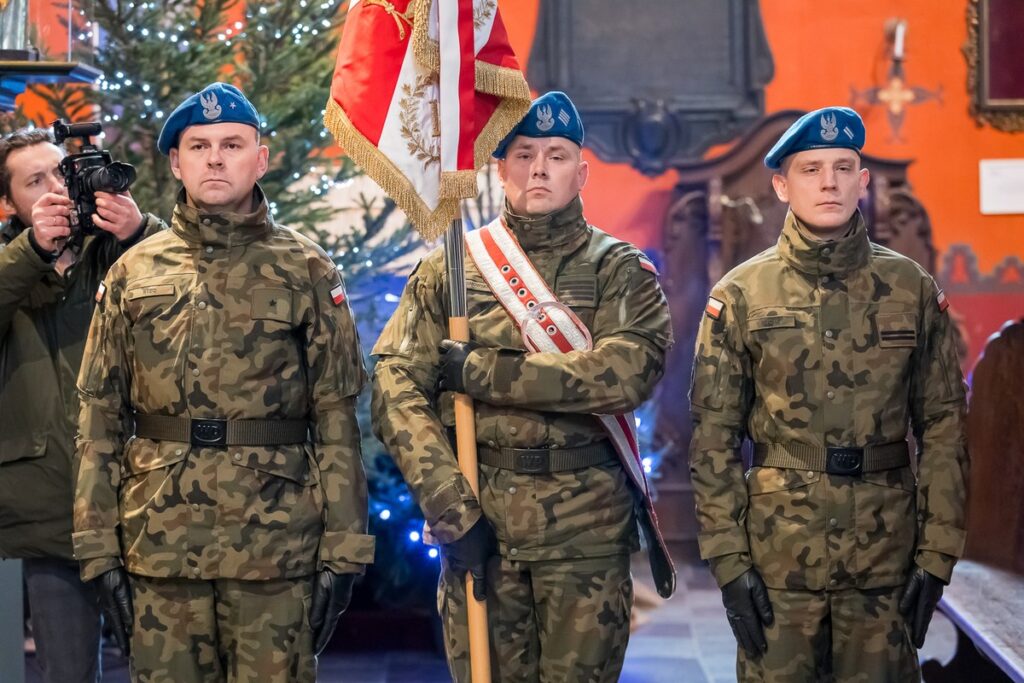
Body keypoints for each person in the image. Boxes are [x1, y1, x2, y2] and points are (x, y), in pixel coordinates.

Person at [73, 82, 374, 682]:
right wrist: (94, 546)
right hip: (159, 540)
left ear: (260, 158)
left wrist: (346, 549)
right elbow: (98, 416)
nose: (215, 158)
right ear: (176, 162)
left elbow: (337, 421)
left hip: (276, 543)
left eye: (232, 144)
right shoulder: (135, 269)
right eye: (199, 145)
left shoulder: (307, 269)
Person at [372, 91, 674, 682]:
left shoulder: (619, 269)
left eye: (556, 155)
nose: (538, 168)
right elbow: (395, 385)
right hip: (482, 519)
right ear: (500, 166)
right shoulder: (453, 268)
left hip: (587, 530)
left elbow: (626, 372)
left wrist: (483, 372)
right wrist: (450, 508)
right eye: (524, 154)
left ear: (581, 172)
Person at [688, 106, 969, 682]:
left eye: (844, 167)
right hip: (778, 558)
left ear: (864, 181)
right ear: (781, 185)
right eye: (811, 168)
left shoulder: (911, 289)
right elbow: (713, 439)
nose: (829, 182)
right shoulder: (740, 294)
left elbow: (944, 427)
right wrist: (726, 559)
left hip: (884, 553)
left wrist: (938, 552)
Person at [0, 127, 161, 683]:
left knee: (170, 665)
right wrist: (33, 250)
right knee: (67, 673)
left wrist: (141, 231)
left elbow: (193, 283)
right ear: (8, 203)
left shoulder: (116, 252)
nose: (54, 188)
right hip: (51, 510)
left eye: (59, 172)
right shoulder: (9, 266)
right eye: (34, 180)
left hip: (142, 493)